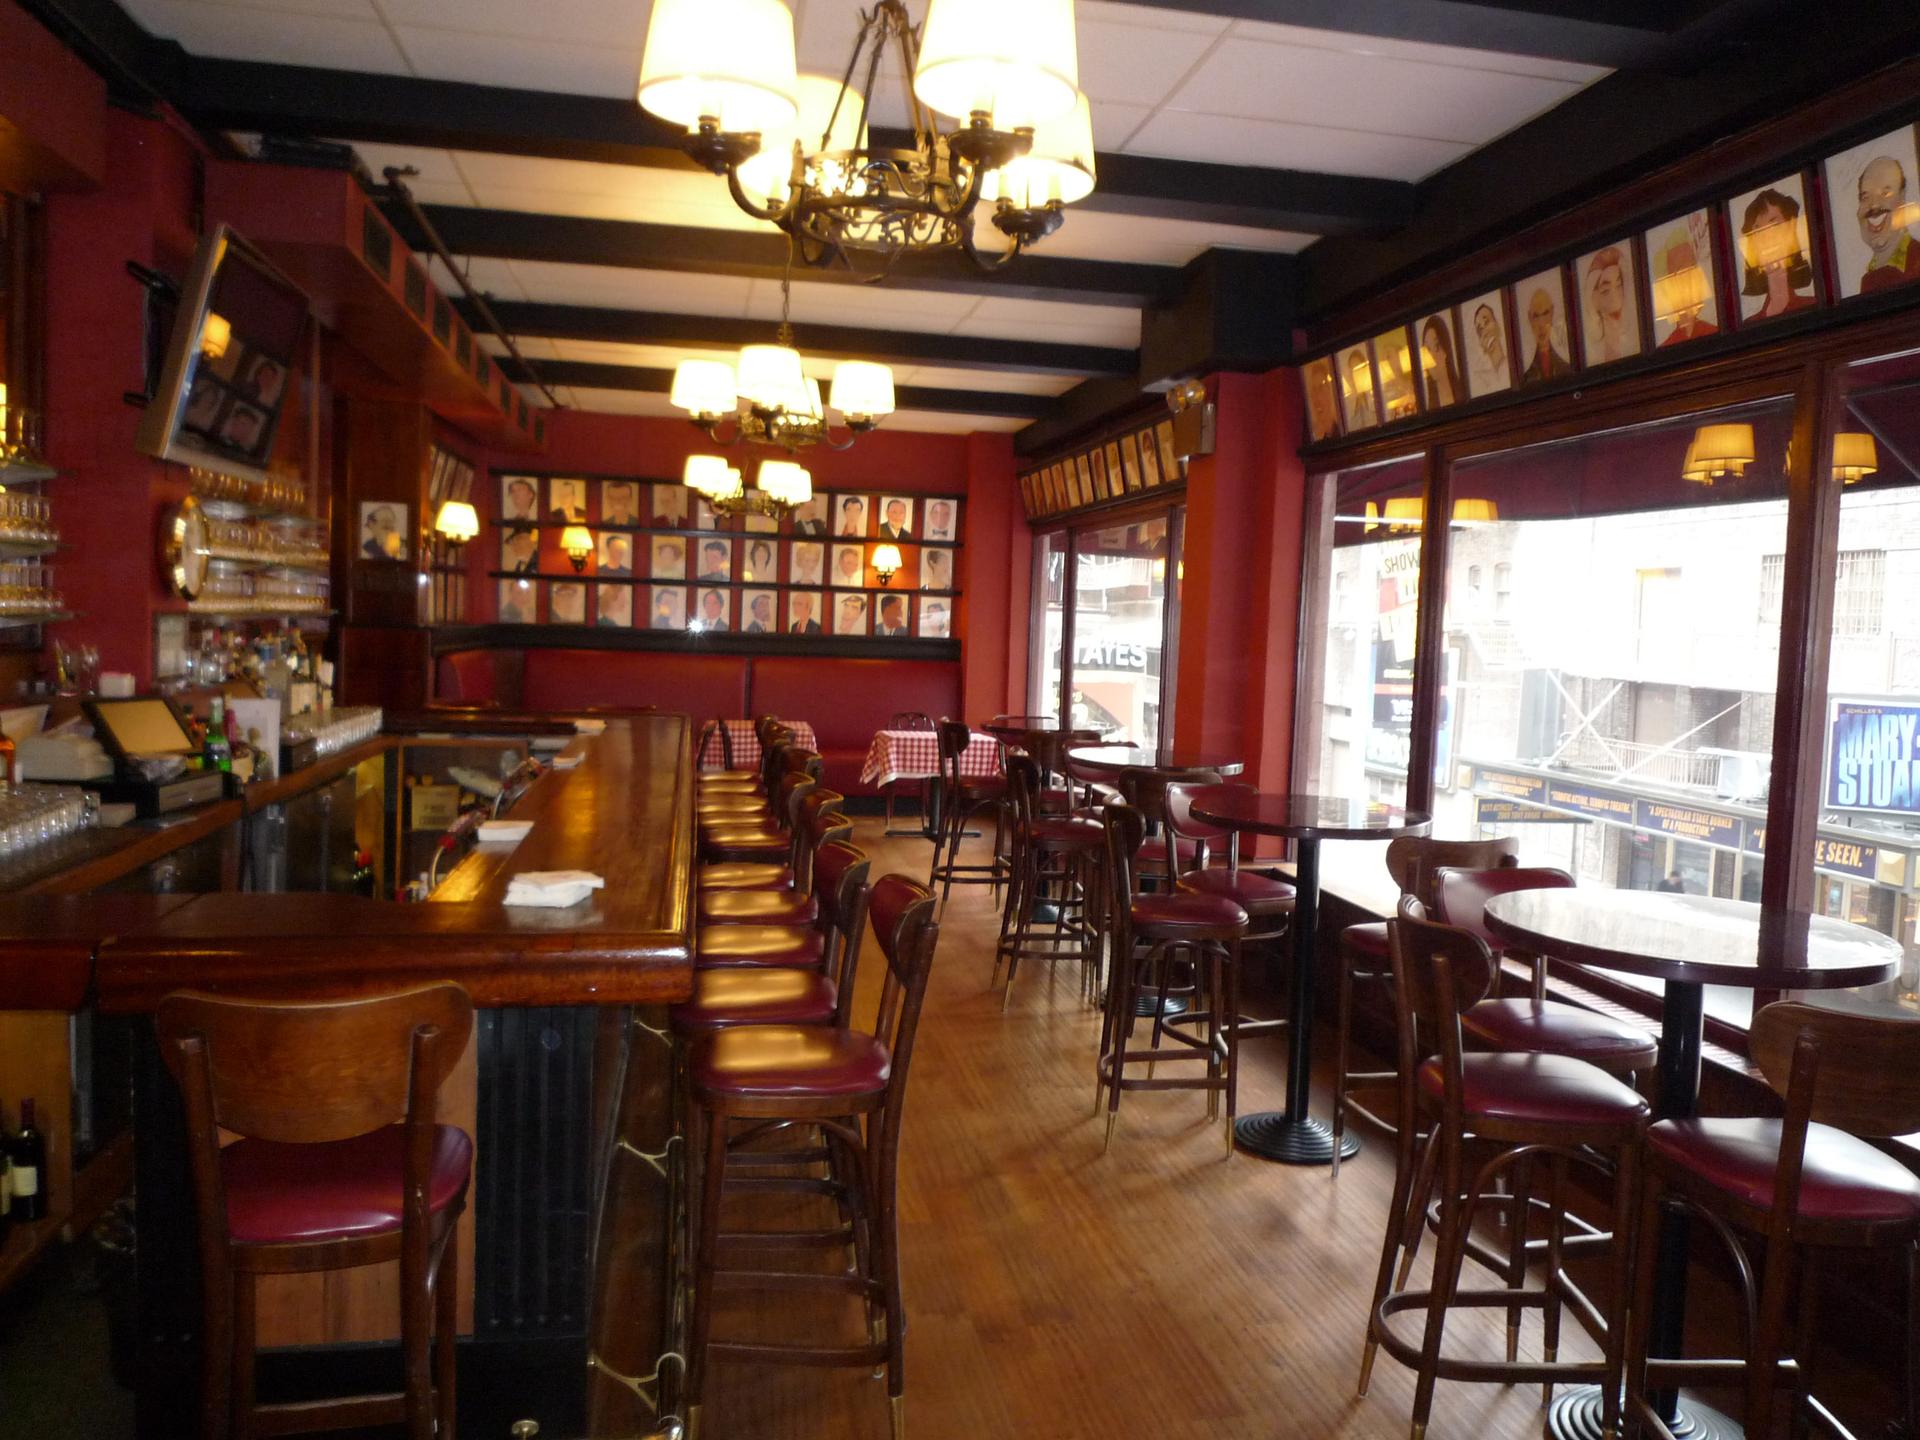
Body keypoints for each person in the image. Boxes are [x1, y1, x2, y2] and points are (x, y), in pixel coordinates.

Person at [1738, 186, 1817, 319]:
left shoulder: (1813, 306)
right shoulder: (1750, 324)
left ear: (1791, 228)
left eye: (1774, 226)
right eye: (1757, 231)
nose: (1766, 237)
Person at [1856, 155, 1920, 294]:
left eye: (1885, 193)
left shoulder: (1916, 262)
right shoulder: (1867, 279)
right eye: (1865, 197)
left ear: (1902, 198)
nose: (1873, 205)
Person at [1652, 230, 1720, 346]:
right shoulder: (1667, 348)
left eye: (1692, 268)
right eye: (1681, 272)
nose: (1691, 278)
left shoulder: (1715, 332)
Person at [1582, 247, 1638, 364]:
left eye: (1619, 285)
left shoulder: (1636, 343)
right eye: (1605, 290)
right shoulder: (1591, 356)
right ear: (1593, 298)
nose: (1615, 298)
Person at [1520, 285, 1571, 382]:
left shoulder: (1566, 367)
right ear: (1529, 318)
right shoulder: (1525, 376)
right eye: (1536, 316)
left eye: (1545, 313)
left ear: (1552, 312)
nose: (1541, 323)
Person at [1419, 316, 1462, 408]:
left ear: (1446, 350)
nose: (1432, 356)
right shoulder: (1428, 408)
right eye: (1428, 349)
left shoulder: (1463, 394)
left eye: (1437, 346)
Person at [1468, 300, 1510, 394]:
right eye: (1480, 330)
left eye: (1487, 322)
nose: (1485, 332)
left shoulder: (1512, 366)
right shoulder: (1481, 379)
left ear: (1497, 325)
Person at [1343, 348, 1377, 428]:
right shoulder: (1348, 405)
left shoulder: (1376, 395)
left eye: (1358, 369)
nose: (1355, 375)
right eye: (1352, 371)